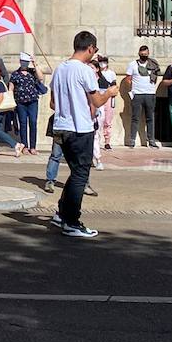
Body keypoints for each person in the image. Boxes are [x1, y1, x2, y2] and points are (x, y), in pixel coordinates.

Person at [49, 31, 121, 238]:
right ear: (90, 48)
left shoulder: (60, 68)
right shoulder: (85, 71)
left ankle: (62, 213)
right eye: (95, 50)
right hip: (80, 128)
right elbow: (97, 101)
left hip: (61, 126)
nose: (94, 54)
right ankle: (72, 221)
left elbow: (53, 102)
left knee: (75, 172)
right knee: (81, 174)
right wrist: (109, 93)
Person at [10, 52, 47, 154]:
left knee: (33, 122)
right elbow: (11, 88)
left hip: (32, 101)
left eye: (26, 62)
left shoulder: (32, 72)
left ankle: (33, 146)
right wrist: (10, 100)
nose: (24, 64)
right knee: (23, 123)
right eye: (23, 62)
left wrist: (35, 64)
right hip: (20, 102)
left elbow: (40, 78)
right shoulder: (15, 74)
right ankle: (24, 145)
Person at [125, 45, 161, 148]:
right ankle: (132, 140)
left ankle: (151, 140)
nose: (144, 55)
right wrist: (132, 90)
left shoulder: (153, 64)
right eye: (142, 54)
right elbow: (128, 79)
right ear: (139, 54)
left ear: (148, 54)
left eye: (145, 54)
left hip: (150, 94)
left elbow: (156, 76)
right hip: (137, 94)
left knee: (150, 118)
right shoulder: (132, 64)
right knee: (135, 118)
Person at [95, 55, 117, 151]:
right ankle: (97, 140)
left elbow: (114, 86)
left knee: (107, 120)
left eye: (104, 61)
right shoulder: (96, 72)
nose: (102, 63)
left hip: (108, 96)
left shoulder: (111, 73)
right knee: (98, 119)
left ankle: (107, 141)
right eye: (100, 61)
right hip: (98, 94)